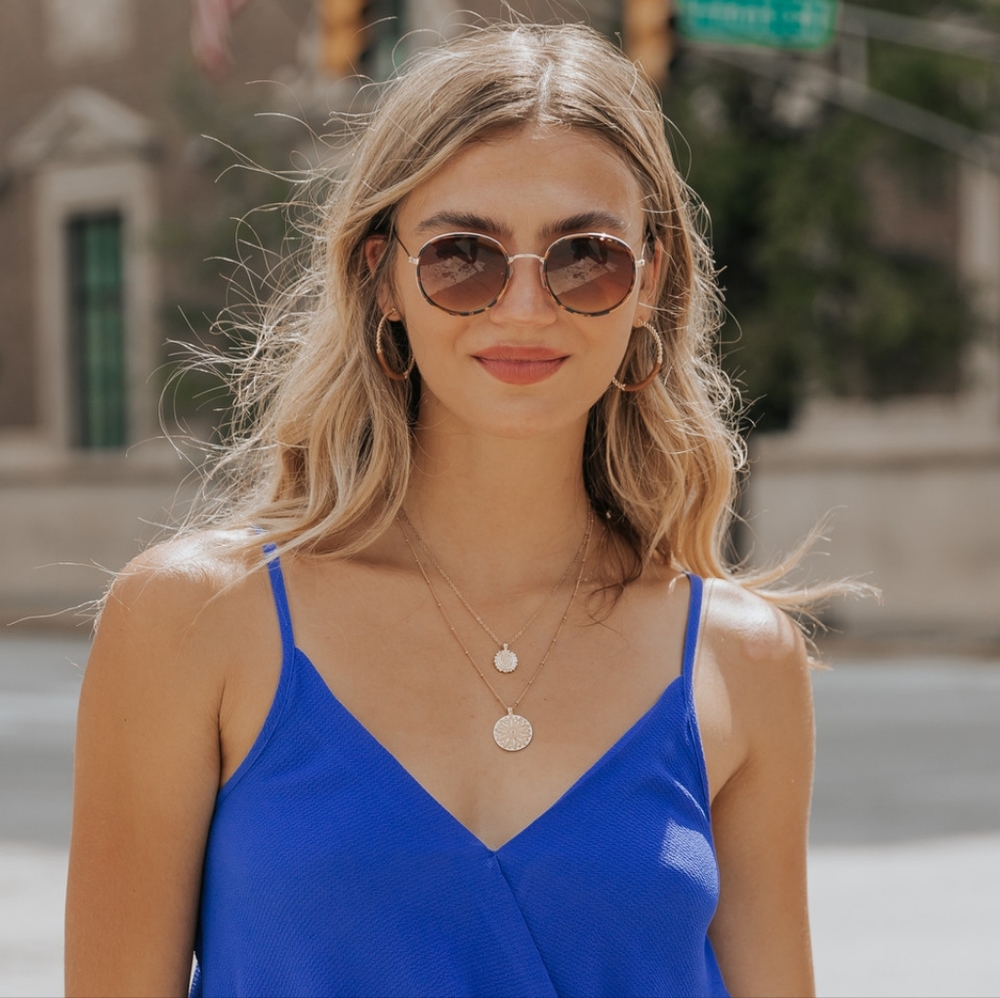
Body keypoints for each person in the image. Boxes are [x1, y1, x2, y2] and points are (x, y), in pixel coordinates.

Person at [66, 22, 820, 998]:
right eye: (464, 254)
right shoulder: (192, 619)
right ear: (382, 276)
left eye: (584, 257)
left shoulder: (744, 659)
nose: (522, 306)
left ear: (651, 282)